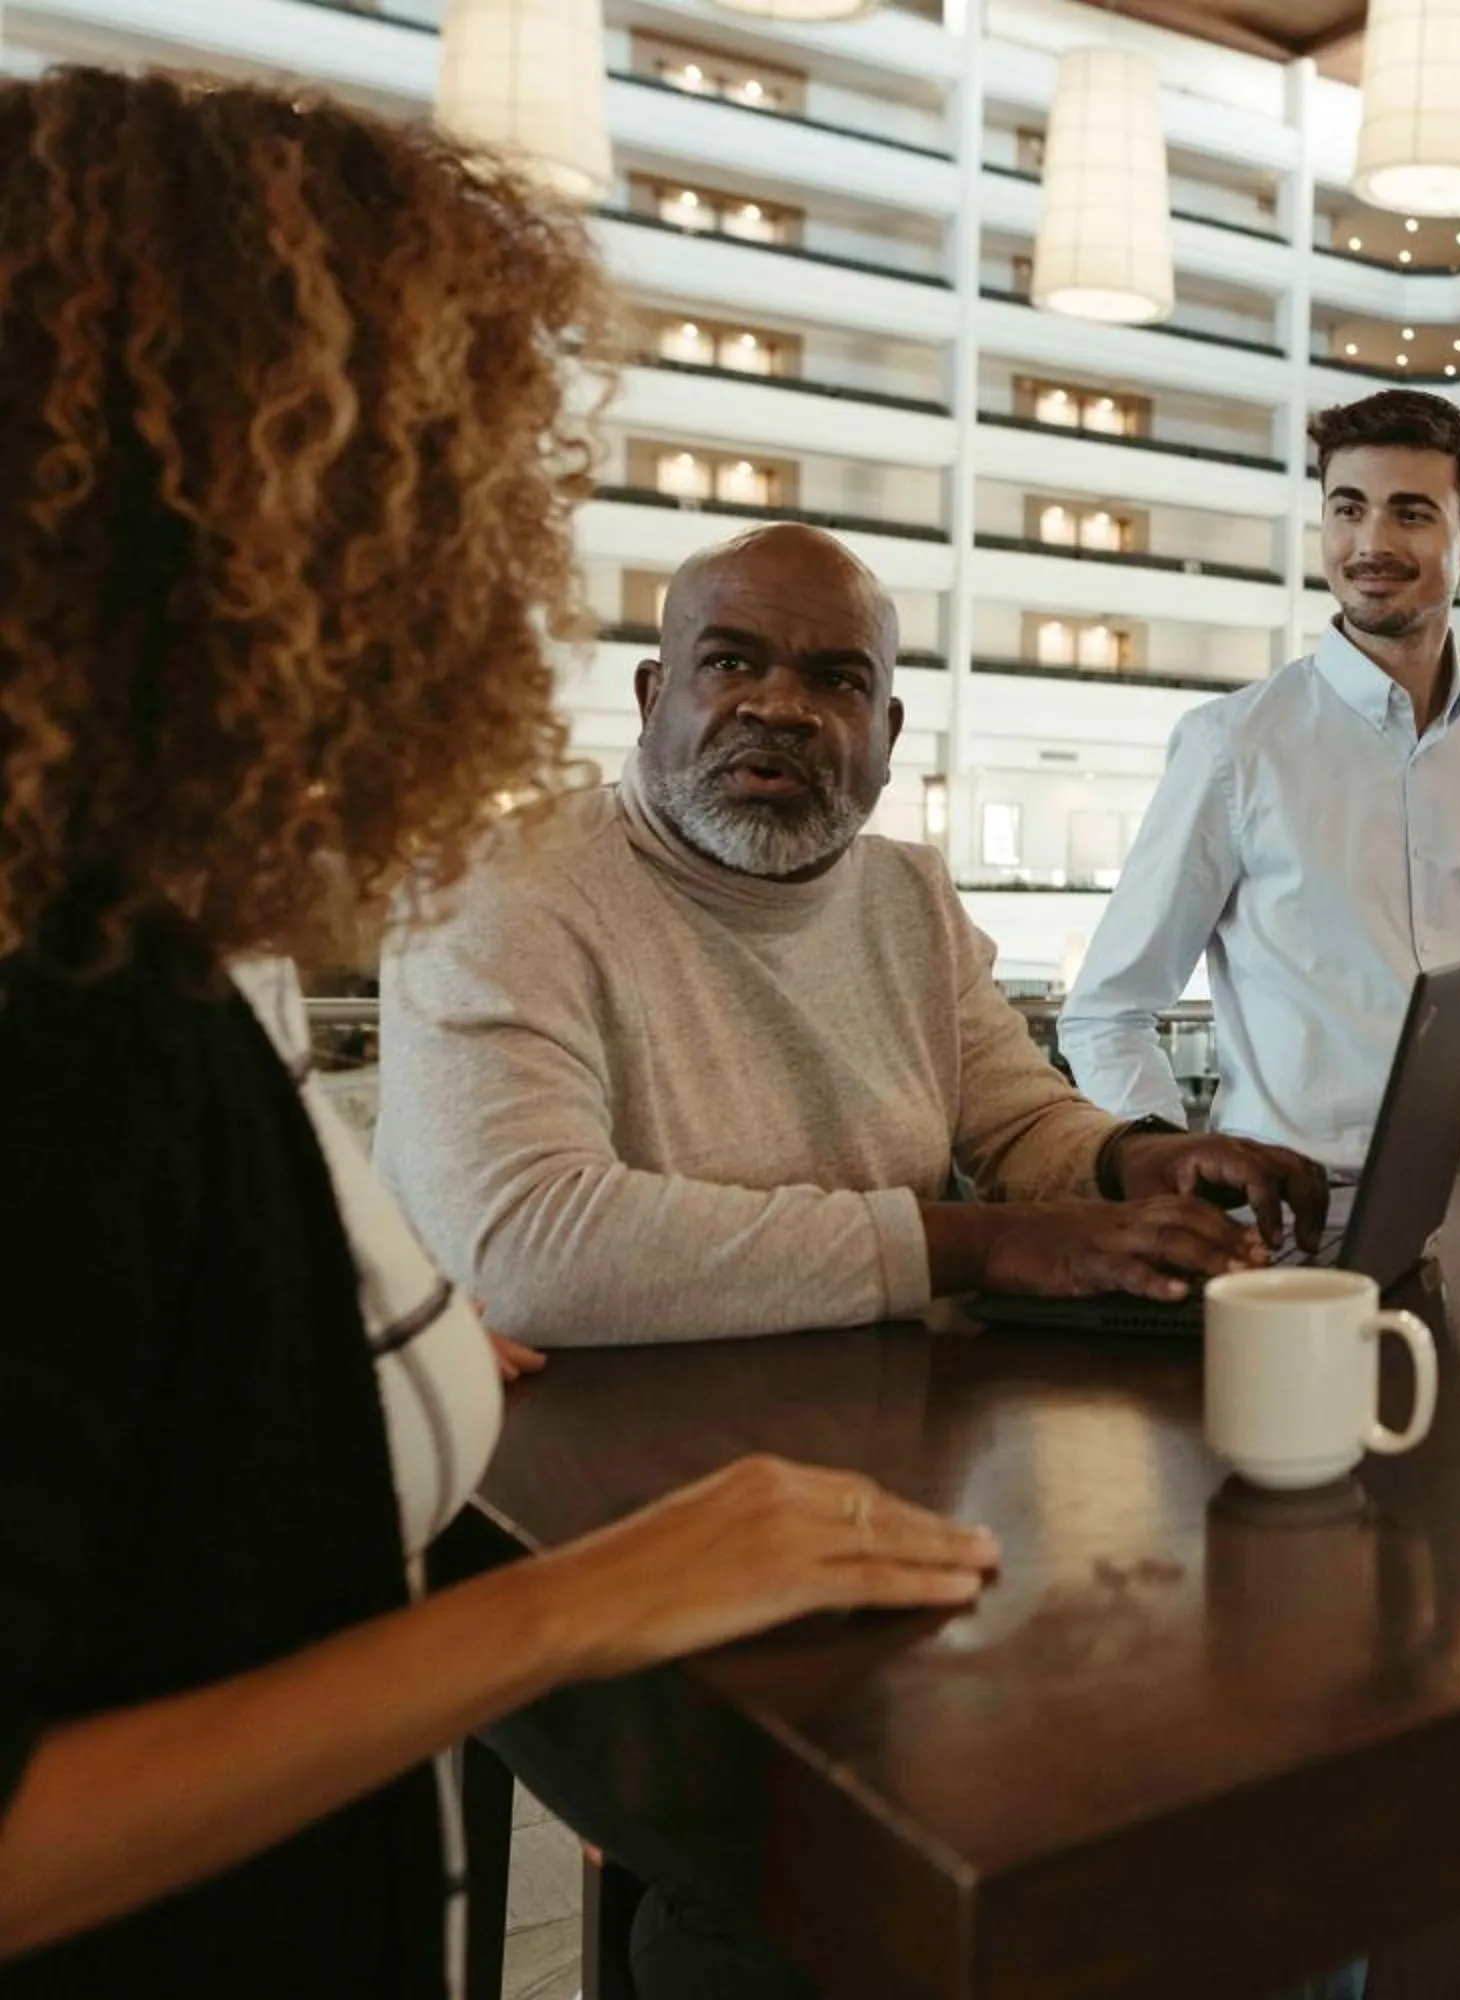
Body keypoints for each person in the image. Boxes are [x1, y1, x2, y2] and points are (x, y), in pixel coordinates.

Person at [0, 70, 995, 1995]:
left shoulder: (166, 940)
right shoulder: (61, 1020)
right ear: (254, 531)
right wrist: (587, 1605)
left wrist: (371, 1333)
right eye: (451, 483)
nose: (495, 561)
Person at [377, 522, 1328, 1348]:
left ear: (886, 729)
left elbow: (1019, 1124)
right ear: (649, 696)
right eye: (730, 662)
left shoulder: (908, 895)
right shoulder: (496, 888)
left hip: (880, 1422)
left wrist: (1131, 1161)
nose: (781, 707)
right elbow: (523, 1251)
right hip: (590, 1464)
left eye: (837, 680)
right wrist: (984, 1245)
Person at [1059, 389, 1460, 1183]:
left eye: (1409, 514)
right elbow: (1109, 1011)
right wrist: (1166, 1163)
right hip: (1287, 1218)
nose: (1370, 542)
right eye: (1348, 509)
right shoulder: (1231, 747)